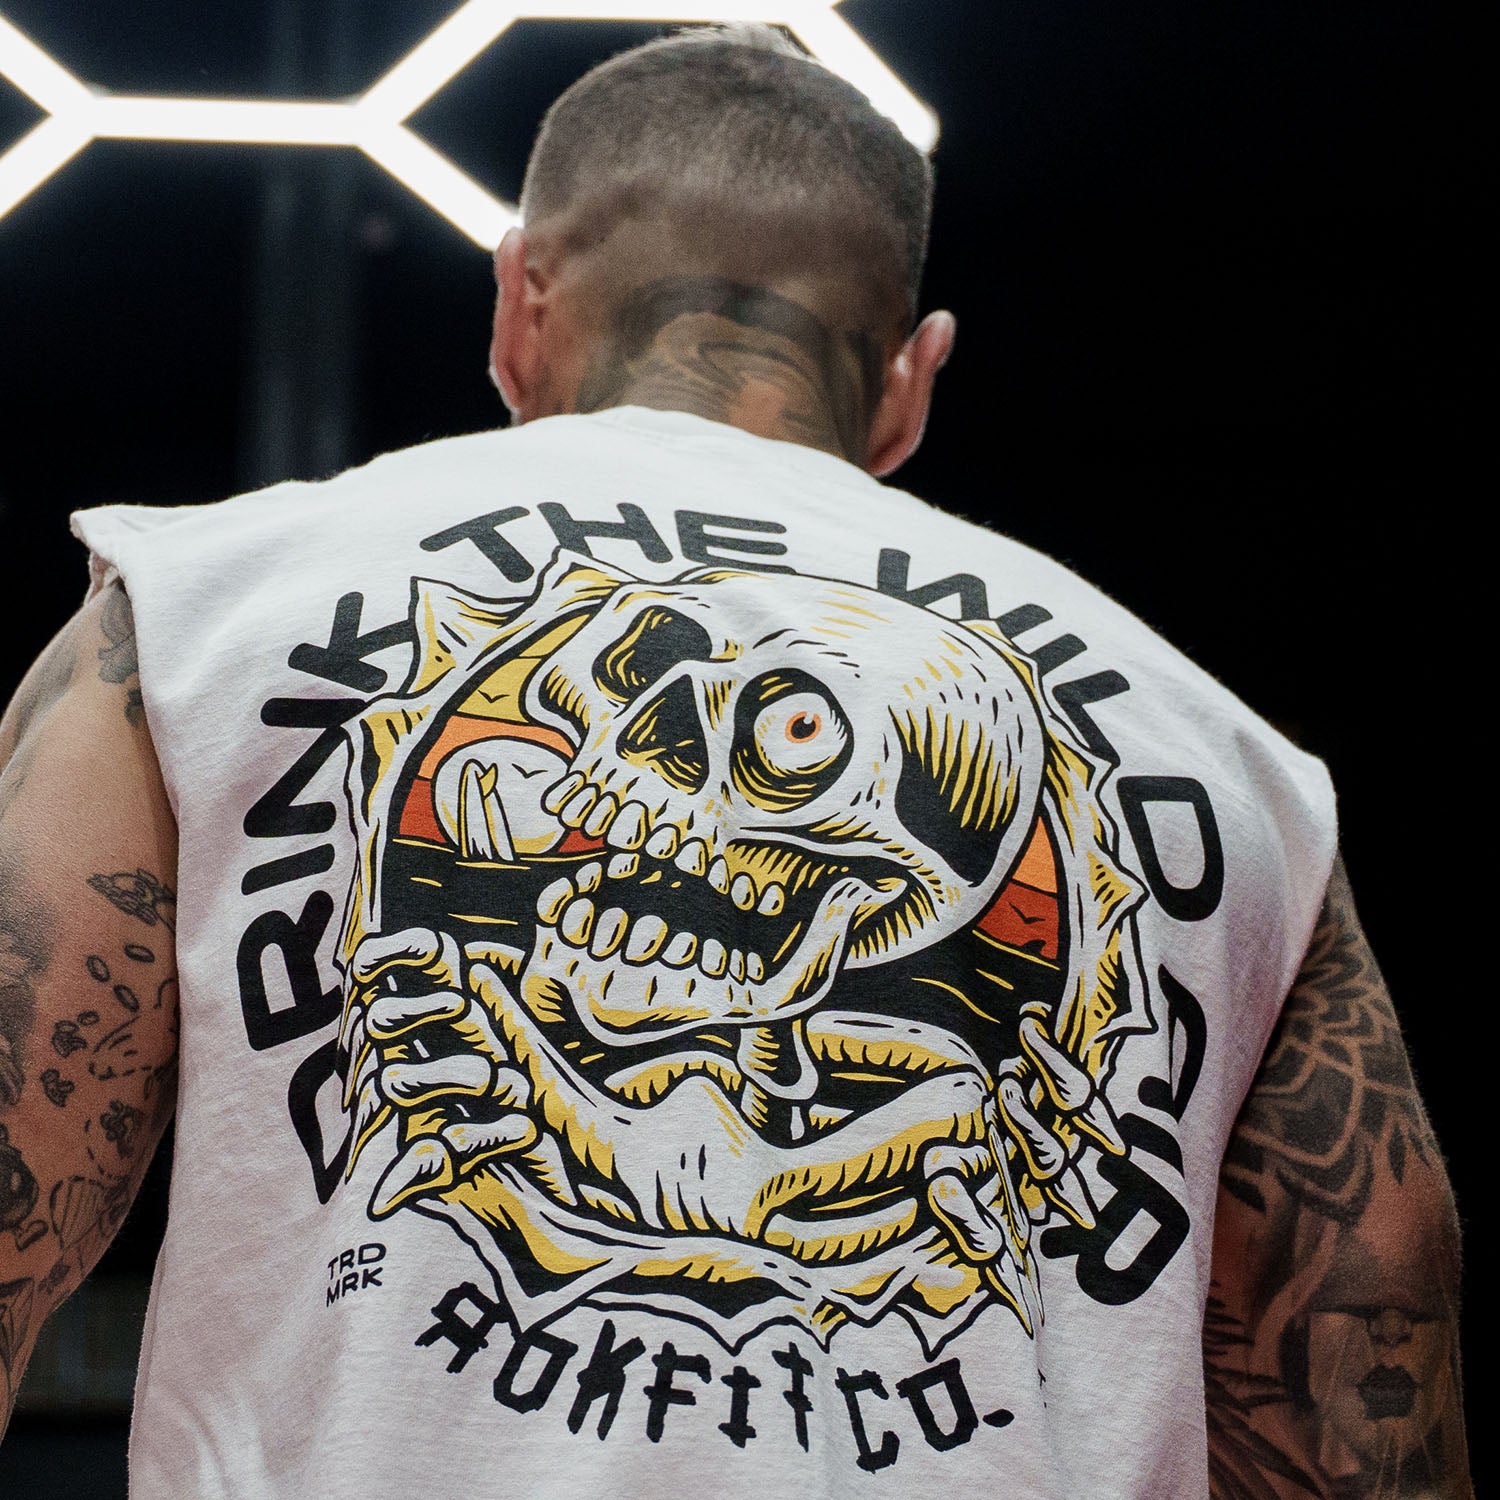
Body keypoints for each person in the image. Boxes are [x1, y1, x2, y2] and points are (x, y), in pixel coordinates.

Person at [0, 25, 1470, 1499]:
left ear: (517, 306)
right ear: (910, 382)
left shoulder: (204, 611)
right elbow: (1374, 1334)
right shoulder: (1224, 762)